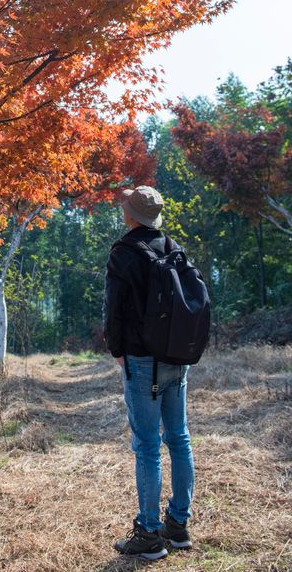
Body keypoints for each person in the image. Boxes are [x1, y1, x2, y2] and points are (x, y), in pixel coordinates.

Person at [103, 185, 195, 562]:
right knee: (179, 439)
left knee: (146, 447)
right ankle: (178, 525)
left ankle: (149, 534)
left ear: (130, 215)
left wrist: (118, 351)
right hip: (177, 357)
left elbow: (113, 309)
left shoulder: (124, 253)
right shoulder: (173, 247)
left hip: (142, 361)